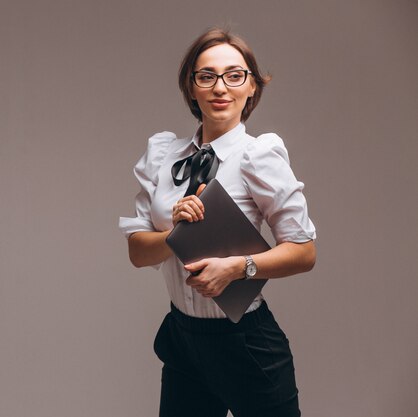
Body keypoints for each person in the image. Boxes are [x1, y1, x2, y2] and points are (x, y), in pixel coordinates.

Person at [118, 27, 316, 417]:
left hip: (245, 341)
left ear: (252, 88)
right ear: (191, 88)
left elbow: (304, 252)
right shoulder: (164, 157)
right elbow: (138, 253)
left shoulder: (259, 156)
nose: (220, 87)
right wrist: (174, 234)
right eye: (206, 76)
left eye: (234, 75)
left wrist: (237, 268)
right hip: (183, 338)